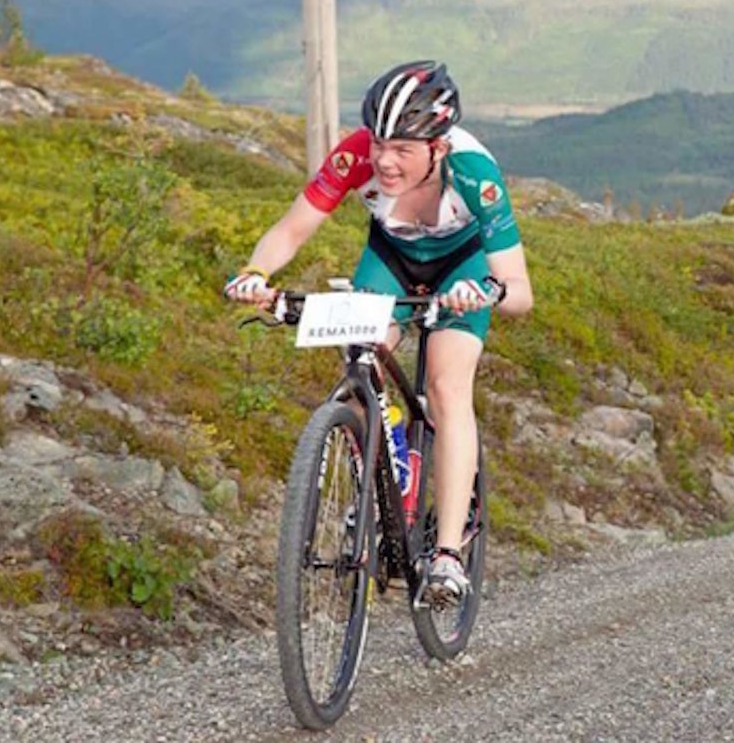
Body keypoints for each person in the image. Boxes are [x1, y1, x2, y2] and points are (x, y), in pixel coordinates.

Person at [224, 60, 533, 602]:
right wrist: (256, 273)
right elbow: (294, 227)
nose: (385, 161)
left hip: (464, 269)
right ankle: (373, 493)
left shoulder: (476, 175)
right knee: (361, 362)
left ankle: (447, 556)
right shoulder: (354, 154)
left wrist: (485, 292)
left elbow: (519, 292)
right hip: (390, 258)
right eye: (380, 144)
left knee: (445, 387)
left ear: (438, 148)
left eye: (403, 150)